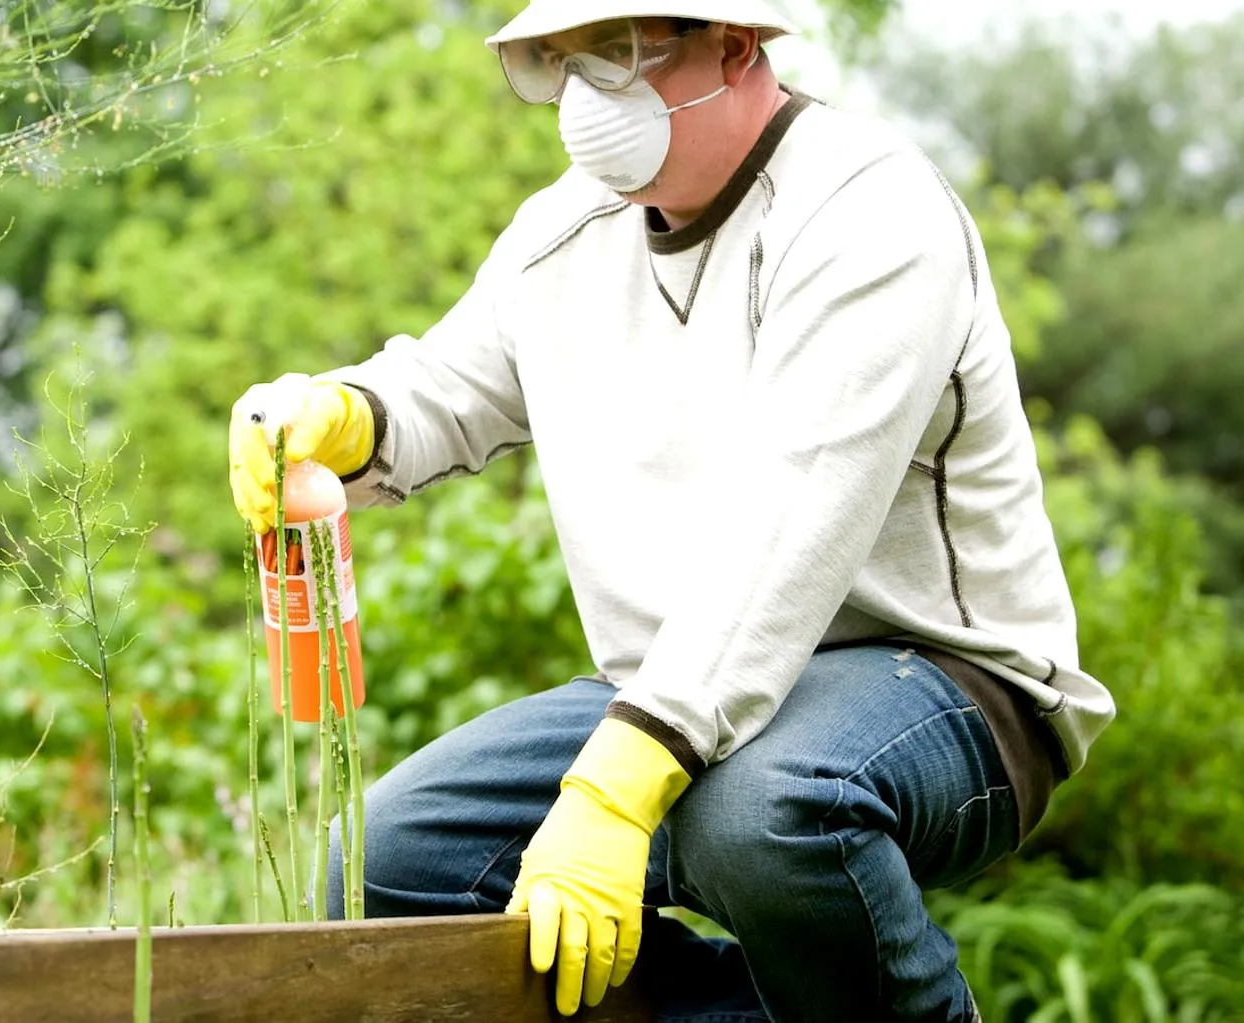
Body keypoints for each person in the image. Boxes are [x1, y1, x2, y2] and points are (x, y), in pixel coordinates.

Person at [225, 1, 1116, 1019]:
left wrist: (612, 790)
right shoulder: (561, 233)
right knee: (386, 868)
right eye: (561, 59)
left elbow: (793, 532)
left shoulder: (869, 213)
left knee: (756, 814)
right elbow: (447, 388)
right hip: (673, 691)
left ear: (734, 46)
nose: (581, 95)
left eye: (618, 50)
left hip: (943, 680)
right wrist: (339, 415)